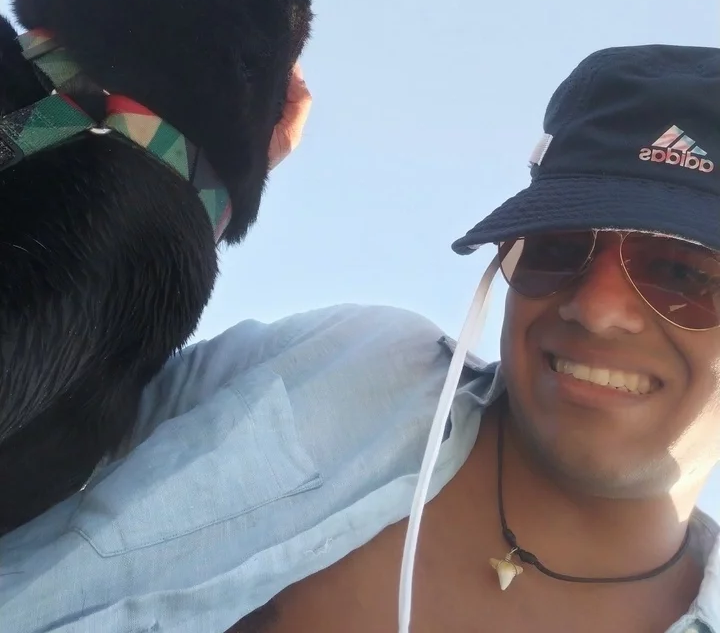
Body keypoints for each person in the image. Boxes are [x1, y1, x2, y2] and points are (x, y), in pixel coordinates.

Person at [3, 47, 720, 633]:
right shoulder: (350, 360)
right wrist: (171, 186)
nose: (596, 307)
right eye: (559, 248)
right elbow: (48, 408)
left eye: (683, 273)